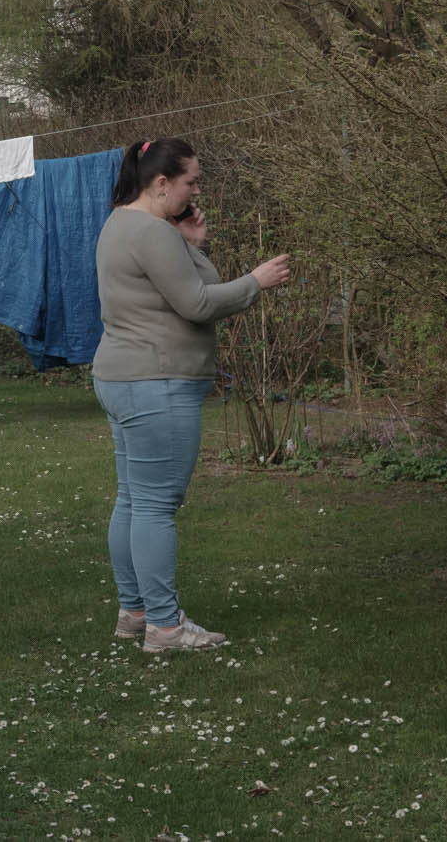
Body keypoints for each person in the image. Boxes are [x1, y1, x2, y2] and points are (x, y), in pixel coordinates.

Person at [93, 137, 291, 653]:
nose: (196, 191)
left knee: (135, 499)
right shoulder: (152, 233)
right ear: (161, 183)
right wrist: (257, 280)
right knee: (156, 505)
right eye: (191, 182)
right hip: (155, 382)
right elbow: (199, 303)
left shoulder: (124, 224)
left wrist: (192, 245)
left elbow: (186, 286)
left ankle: (135, 612)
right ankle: (164, 627)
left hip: (124, 378)